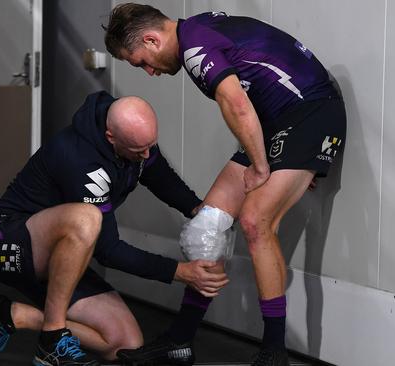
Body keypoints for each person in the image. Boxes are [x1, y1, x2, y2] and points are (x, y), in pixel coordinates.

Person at [104, 4, 347, 366]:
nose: (150, 72)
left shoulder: (194, 51)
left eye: (141, 62)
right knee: (207, 227)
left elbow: (238, 106)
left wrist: (265, 166)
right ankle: (180, 340)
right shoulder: (194, 28)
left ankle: (274, 351)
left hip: (311, 111)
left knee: (254, 221)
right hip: (278, 121)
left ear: (152, 39)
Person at [0, 91, 229, 366]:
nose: (147, 154)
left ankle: (8, 314)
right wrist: (180, 272)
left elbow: (160, 177)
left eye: (150, 145)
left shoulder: (136, 141)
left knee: (124, 343)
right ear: (110, 137)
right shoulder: (80, 159)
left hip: (61, 255)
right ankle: (52, 342)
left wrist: (200, 211)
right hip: (8, 246)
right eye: (139, 149)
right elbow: (108, 250)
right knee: (87, 218)